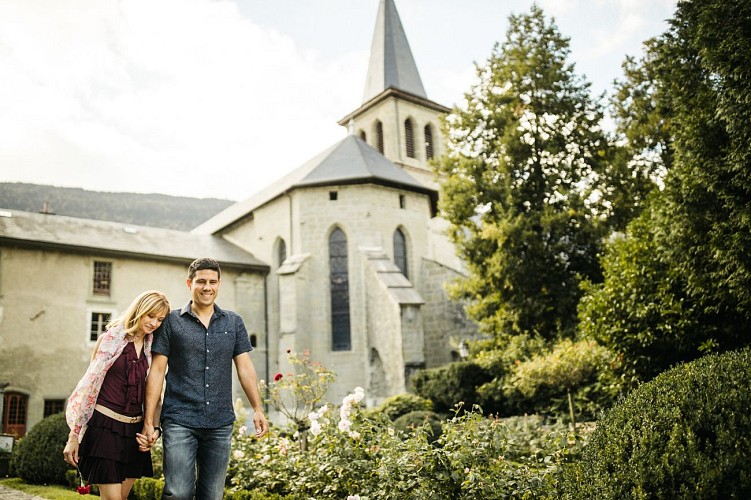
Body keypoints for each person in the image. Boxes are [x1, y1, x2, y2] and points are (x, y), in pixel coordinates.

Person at [141, 257, 268, 499]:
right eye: (201, 281)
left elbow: (245, 368)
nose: (206, 287)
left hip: (219, 422)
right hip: (179, 419)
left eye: (212, 282)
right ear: (189, 283)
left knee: (212, 495)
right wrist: (150, 421)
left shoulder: (233, 322)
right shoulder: (171, 322)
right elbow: (156, 372)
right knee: (178, 493)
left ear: (219, 284)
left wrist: (257, 408)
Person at [64, 290, 170, 500]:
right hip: (105, 427)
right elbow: (90, 387)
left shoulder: (152, 348)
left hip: (134, 432)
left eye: (160, 319)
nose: (154, 323)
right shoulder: (109, 339)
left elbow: (155, 392)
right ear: (140, 310)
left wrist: (154, 428)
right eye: (151, 316)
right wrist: (74, 436)